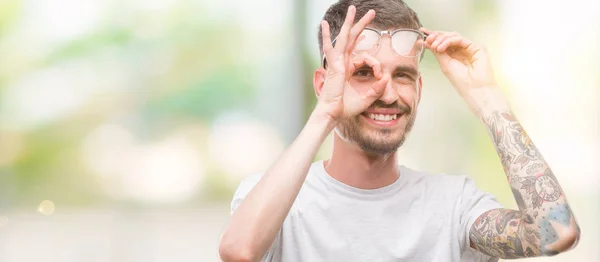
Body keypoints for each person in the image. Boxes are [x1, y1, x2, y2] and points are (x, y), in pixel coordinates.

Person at [218, 0, 581, 261]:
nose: (387, 94)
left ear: (418, 90)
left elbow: (556, 233)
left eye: (402, 75)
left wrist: (485, 96)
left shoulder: (454, 205)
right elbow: (239, 251)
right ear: (323, 84)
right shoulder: (273, 200)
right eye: (362, 73)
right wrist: (326, 111)